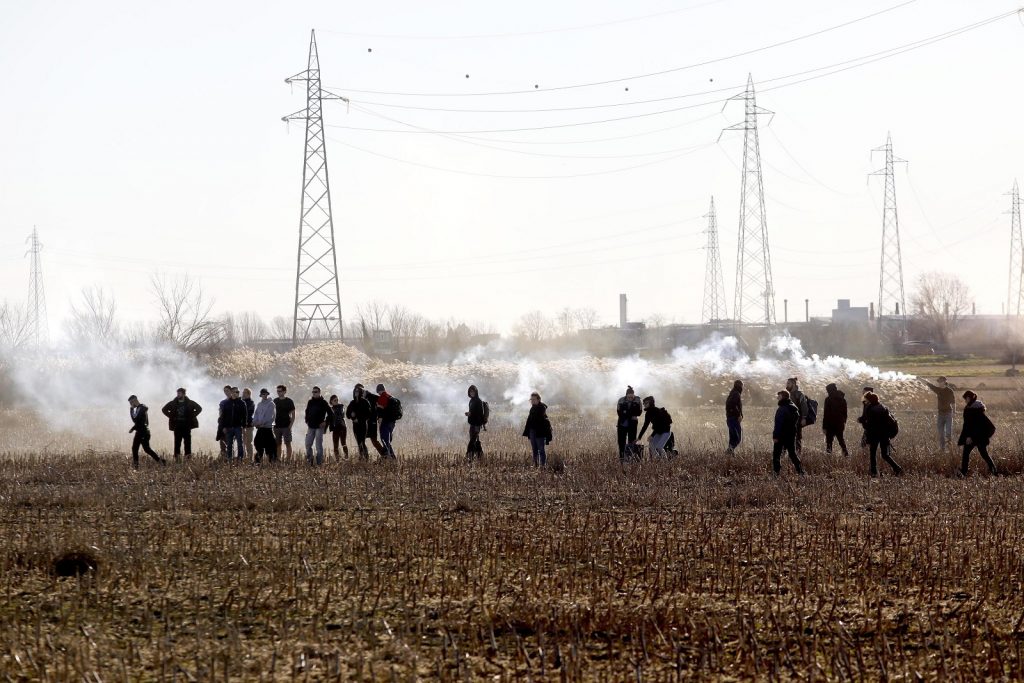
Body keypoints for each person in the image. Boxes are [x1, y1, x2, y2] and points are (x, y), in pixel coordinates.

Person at [861, 392, 903, 477]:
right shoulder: (883, 407)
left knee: (872, 454)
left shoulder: (870, 409)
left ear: (869, 400)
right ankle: (897, 468)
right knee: (885, 455)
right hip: (885, 434)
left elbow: (869, 425)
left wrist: (862, 422)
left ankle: (873, 472)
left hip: (875, 435)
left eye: (866, 399)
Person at [957, 390, 997, 476]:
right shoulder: (971, 409)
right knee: (981, 454)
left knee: (969, 454)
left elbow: (971, 426)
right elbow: (968, 425)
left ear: (970, 398)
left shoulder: (974, 410)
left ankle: (964, 472)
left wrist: (970, 437)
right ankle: (994, 471)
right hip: (975, 437)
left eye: (966, 398)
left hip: (976, 437)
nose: (965, 400)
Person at [161, 388, 201, 460]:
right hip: (177, 425)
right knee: (177, 443)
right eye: (177, 393)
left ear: (184, 394)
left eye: (179, 393)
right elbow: (164, 409)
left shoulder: (190, 403)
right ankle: (177, 459)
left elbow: (199, 408)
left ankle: (188, 459)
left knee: (187, 443)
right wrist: (171, 416)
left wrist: (192, 415)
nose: (178, 394)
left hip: (187, 425)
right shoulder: (173, 403)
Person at [772, 389, 804, 477]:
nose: (777, 397)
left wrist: (775, 436)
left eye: (779, 395)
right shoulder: (794, 408)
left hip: (781, 435)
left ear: (783, 397)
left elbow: (778, 424)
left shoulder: (782, 409)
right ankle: (801, 471)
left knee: (776, 455)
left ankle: (776, 474)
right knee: (792, 454)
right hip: (791, 435)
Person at [128, 395, 164, 468]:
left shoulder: (141, 408)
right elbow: (139, 422)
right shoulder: (140, 408)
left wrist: (131, 410)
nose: (131, 405)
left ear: (134, 401)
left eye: (131, 403)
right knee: (143, 449)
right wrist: (133, 428)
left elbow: (135, 419)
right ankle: (161, 462)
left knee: (139, 449)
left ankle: (136, 467)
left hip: (142, 432)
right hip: (142, 431)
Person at [922, 376, 957, 451]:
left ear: (944, 382)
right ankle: (942, 449)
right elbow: (929, 384)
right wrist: (919, 379)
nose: (939, 383)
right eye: (938, 382)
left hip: (948, 414)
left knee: (948, 433)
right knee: (941, 434)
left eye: (940, 381)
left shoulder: (949, 391)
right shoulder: (937, 390)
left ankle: (950, 448)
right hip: (940, 414)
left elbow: (953, 403)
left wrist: (954, 412)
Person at [522, 392, 552, 466]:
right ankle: (536, 465)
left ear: (539, 399)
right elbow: (530, 420)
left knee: (541, 450)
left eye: (534, 399)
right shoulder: (532, 408)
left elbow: (539, 420)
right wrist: (528, 430)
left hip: (540, 432)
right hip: (532, 431)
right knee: (534, 449)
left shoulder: (542, 408)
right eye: (531, 399)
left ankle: (542, 466)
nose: (532, 401)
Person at [304, 386, 331, 465]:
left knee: (318, 446)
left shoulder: (323, 402)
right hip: (311, 426)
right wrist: (307, 420)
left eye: (315, 392)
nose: (314, 393)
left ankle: (319, 463)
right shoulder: (310, 402)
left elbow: (331, 414)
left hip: (319, 427)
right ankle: (310, 461)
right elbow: (307, 412)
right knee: (308, 444)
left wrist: (325, 422)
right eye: (313, 392)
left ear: (319, 393)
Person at [822, 383, 850, 457]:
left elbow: (826, 414)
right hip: (840, 423)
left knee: (829, 442)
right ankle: (846, 455)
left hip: (830, 424)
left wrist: (824, 427)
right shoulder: (843, 399)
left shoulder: (828, 399)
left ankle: (828, 458)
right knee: (841, 440)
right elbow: (845, 413)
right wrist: (843, 422)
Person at [615, 386, 643, 460]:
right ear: (626, 395)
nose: (630, 398)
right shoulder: (621, 400)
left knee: (631, 441)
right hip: (622, 423)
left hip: (632, 424)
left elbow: (639, 412)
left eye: (632, 396)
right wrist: (631, 413)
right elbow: (619, 413)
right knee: (621, 442)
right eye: (629, 396)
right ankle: (622, 458)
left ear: (633, 395)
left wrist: (626, 412)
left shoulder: (638, 400)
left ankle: (630, 458)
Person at [346, 384, 373, 459]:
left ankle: (366, 458)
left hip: (363, 424)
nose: (356, 392)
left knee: (362, 442)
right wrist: (352, 416)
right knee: (358, 442)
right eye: (355, 391)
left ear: (360, 392)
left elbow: (368, 414)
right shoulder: (352, 403)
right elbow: (347, 414)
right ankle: (361, 457)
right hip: (355, 425)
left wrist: (359, 418)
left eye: (358, 391)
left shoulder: (365, 402)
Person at [220, 387, 247, 461]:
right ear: (231, 392)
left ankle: (240, 459)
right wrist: (224, 427)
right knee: (229, 445)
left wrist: (244, 427)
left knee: (239, 444)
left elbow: (244, 416)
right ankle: (229, 460)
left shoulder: (242, 403)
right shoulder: (226, 403)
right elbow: (223, 416)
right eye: (235, 392)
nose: (237, 393)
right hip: (228, 427)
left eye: (238, 392)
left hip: (238, 427)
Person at [252, 388, 277, 463]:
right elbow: (256, 414)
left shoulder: (271, 404)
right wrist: (254, 422)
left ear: (267, 394)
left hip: (267, 429)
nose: (264, 395)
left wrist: (260, 423)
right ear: (261, 395)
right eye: (262, 394)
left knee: (270, 447)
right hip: (260, 429)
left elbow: (269, 417)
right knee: (257, 444)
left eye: (265, 394)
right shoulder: (259, 404)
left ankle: (271, 462)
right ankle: (258, 461)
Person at [375, 383, 399, 459]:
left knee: (385, 440)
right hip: (392, 422)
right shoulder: (390, 397)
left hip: (385, 422)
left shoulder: (382, 398)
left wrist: (380, 424)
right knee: (387, 441)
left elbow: (380, 413)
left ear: (378, 391)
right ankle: (386, 457)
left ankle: (392, 458)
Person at [362, 384, 387, 456]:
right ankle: (384, 454)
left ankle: (384, 454)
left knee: (372, 441)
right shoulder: (371, 397)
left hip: (371, 422)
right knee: (372, 441)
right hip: (370, 422)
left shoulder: (371, 397)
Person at [786, 378, 809, 455]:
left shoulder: (799, 394)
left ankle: (798, 455)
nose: (787, 385)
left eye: (788, 383)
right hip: (787, 421)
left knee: (797, 438)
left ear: (793, 384)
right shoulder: (787, 394)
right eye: (787, 383)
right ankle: (783, 456)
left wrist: (804, 418)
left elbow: (804, 407)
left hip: (797, 421)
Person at [273, 385, 296, 461]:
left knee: (287, 443)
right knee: (278, 444)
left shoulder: (289, 401)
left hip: (286, 426)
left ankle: (288, 460)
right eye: (277, 391)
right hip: (277, 426)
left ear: (284, 391)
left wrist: (290, 426)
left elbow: (293, 415)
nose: (278, 392)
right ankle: (278, 459)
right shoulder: (275, 401)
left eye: (280, 391)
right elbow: (272, 413)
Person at [466, 384, 487, 460]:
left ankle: (469, 456)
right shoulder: (471, 401)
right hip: (472, 424)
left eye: (473, 392)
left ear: (476, 392)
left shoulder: (478, 401)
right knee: (474, 441)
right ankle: (480, 456)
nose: (472, 393)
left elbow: (480, 414)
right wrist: (469, 414)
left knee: (472, 441)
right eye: (470, 392)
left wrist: (471, 414)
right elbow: (473, 411)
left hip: (477, 425)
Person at [327, 394, 349, 460]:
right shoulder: (330, 409)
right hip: (335, 428)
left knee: (343, 443)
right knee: (335, 445)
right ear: (331, 402)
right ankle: (337, 460)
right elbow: (328, 419)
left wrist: (332, 411)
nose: (336, 401)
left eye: (337, 400)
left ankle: (346, 458)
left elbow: (341, 415)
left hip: (342, 427)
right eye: (334, 400)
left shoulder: (341, 407)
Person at [725, 380, 743, 454]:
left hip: (730, 418)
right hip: (733, 419)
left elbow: (729, 405)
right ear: (740, 386)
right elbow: (732, 405)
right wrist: (738, 414)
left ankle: (730, 455)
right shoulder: (736, 394)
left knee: (732, 438)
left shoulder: (732, 393)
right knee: (737, 438)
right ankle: (729, 451)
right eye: (742, 386)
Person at [216, 384, 232, 456]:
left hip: (230, 425)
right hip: (222, 424)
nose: (226, 392)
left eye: (227, 390)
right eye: (224, 391)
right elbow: (220, 414)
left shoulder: (234, 401)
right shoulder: (222, 402)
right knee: (222, 443)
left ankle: (229, 458)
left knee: (229, 443)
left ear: (231, 391)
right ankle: (223, 458)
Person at [241, 388, 255, 461]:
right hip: (242, 425)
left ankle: (250, 458)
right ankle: (243, 457)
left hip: (249, 425)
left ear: (249, 394)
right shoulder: (241, 401)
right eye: (243, 392)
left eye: (245, 393)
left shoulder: (251, 402)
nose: (243, 394)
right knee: (242, 442)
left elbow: (248, 413)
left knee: (248, 442)